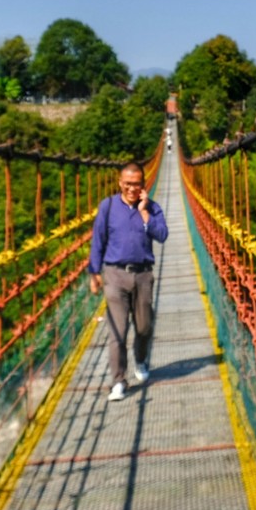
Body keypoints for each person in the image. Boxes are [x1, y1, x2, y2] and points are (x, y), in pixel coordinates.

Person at [88, 163, 168, 401]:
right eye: (128, 183)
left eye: (137, 184)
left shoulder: (152, 207)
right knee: (118, 331)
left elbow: (162, 235)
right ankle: (118, 381)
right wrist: (94, 272)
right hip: (115, 274)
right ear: (120, 182)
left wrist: (145, 214)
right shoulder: (108, 206)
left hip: (143, 274)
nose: (132, 188)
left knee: (144, 327)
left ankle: (141, 359)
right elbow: (98, 239)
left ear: (143, 184)